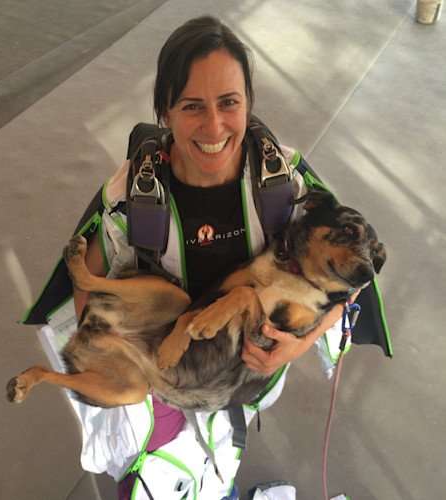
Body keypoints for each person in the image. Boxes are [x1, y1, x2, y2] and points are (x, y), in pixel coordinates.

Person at [33, 15, 365, 500]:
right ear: (164, 113)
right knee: (159, 483)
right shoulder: (131, 201)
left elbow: (348, 281)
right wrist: (132, 367)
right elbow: (87, 289)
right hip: (159, 389)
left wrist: (299, 343)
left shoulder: (284, 185)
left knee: (221, 462)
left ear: (249, 102)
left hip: (246, 379)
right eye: (192, 106)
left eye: (229, 102)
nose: (213, 126)